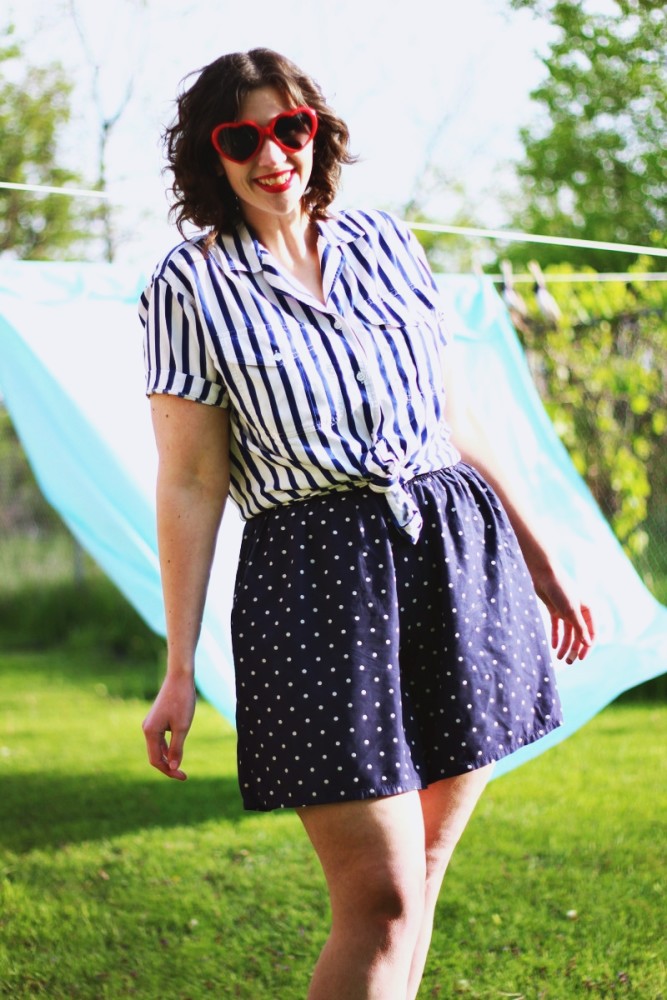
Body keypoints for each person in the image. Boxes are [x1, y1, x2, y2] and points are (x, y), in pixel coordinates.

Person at [139, 47, 594, 1000]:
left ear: (316, 131)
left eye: (289, 128)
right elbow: (188, 481)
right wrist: (178, 666)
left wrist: (541, 556)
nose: (273, 155)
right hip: (314, 587)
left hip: (454, 556)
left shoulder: (389, 241)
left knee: (423, 870)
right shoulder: (185, 285)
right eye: (242, 136)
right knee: (380, 898)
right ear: (209, 155)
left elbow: (454, 419)